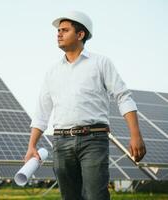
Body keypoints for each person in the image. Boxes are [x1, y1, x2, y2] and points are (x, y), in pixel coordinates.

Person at [24, 11, 146, 200]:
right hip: (61, 143)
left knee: (95, 196)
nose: (59, 34)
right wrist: (32, 145)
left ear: (80, 35)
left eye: (65, 30)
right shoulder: (52, 72)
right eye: (58, 30)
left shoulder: (101, 63)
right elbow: (42, 111)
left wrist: (135, 135)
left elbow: (123, 97)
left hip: (93, 140)